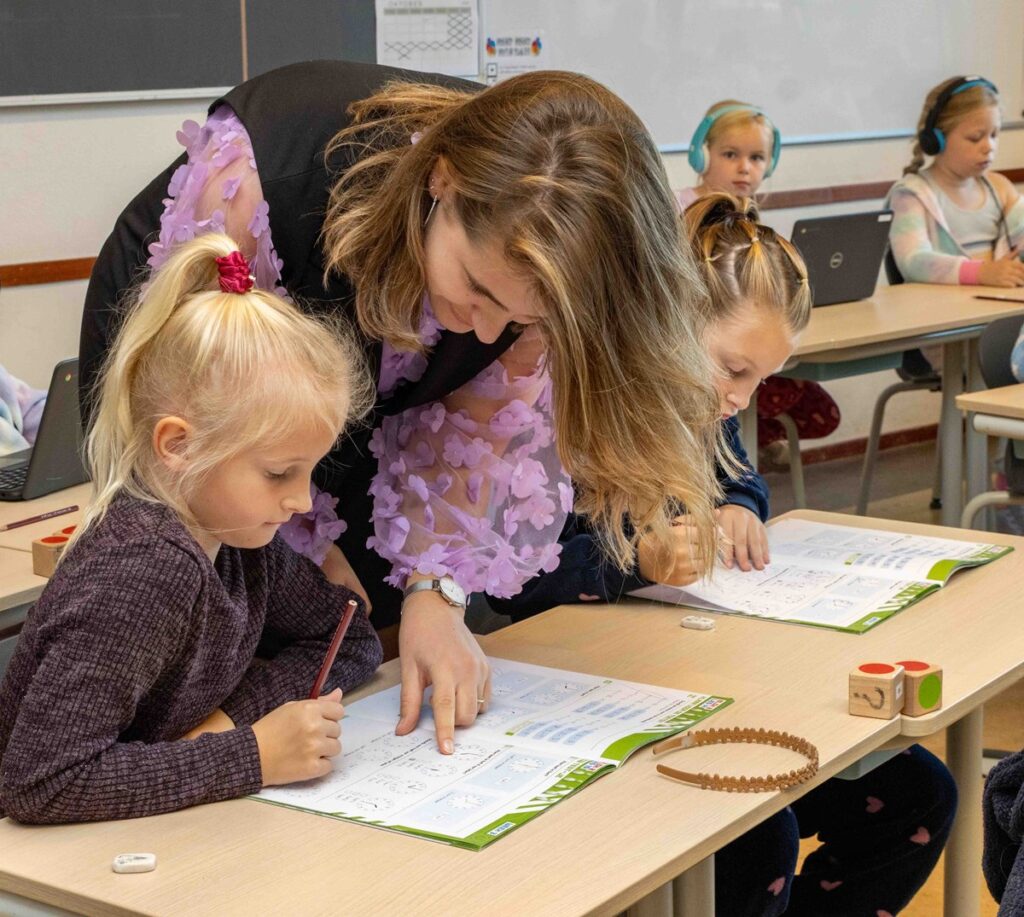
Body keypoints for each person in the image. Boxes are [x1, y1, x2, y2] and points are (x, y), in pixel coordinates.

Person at [79, 60, 726, 753]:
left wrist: (435, 592)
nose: (486, 331)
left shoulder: (539, 266)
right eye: (477, 289)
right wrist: (303, 540)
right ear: (442, 182)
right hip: (208, 358)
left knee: (357, 619)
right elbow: (220, 406)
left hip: (347, 382)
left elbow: (471, 428)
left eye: (517, 316)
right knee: (215, 597)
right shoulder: (271, 179)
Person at [495, 195, 957, 915]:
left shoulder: (703, 403)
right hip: (580, 690)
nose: (741, 398)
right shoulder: (565, 405)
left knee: (920, 794)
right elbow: (515, 582)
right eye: (734, 369)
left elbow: (737, 471)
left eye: (760, 380)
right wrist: (634, 561)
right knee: (758, 840)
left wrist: (740, 502)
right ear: (669, 321)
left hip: (691, 668)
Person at [0, 234, 382, 824]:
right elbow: (42, 783)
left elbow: (348, 636)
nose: (301, 500)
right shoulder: (146, 569)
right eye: (278, 472)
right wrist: (252, 754)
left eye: (309, 470)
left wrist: (227, 723)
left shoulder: (235, 535)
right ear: (179, 446)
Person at [678, 100, 840, 462]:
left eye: (756, 157)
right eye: (731, 154)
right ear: (701, 154)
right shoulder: (673, 212)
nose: (744, 167)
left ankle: (743, 454)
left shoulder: (754, 226)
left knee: (818, 408)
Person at [886, 76, 1024, 382]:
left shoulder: (1000, 188)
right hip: (943, 335)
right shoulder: (912, 195)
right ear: (937, 139)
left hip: (1001, 323)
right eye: (975, 138)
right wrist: (982, 272)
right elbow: (914, 261)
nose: (988, 146)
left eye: (994, 135)